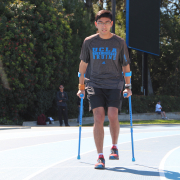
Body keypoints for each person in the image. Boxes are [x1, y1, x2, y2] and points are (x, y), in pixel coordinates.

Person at [77, 10, 132, 169]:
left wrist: (127, 86)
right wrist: (81, 86)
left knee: (113, 114)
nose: (104, 26)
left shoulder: (119, 42)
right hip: (94, 83)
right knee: (98, 117)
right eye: (100, 23)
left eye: (107, 22)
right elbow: (82, 65)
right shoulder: (89, 42)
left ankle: (114, 146)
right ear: (96, 24)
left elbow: (125, 65)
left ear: (111, 24)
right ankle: (100, 156)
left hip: (114, 83)